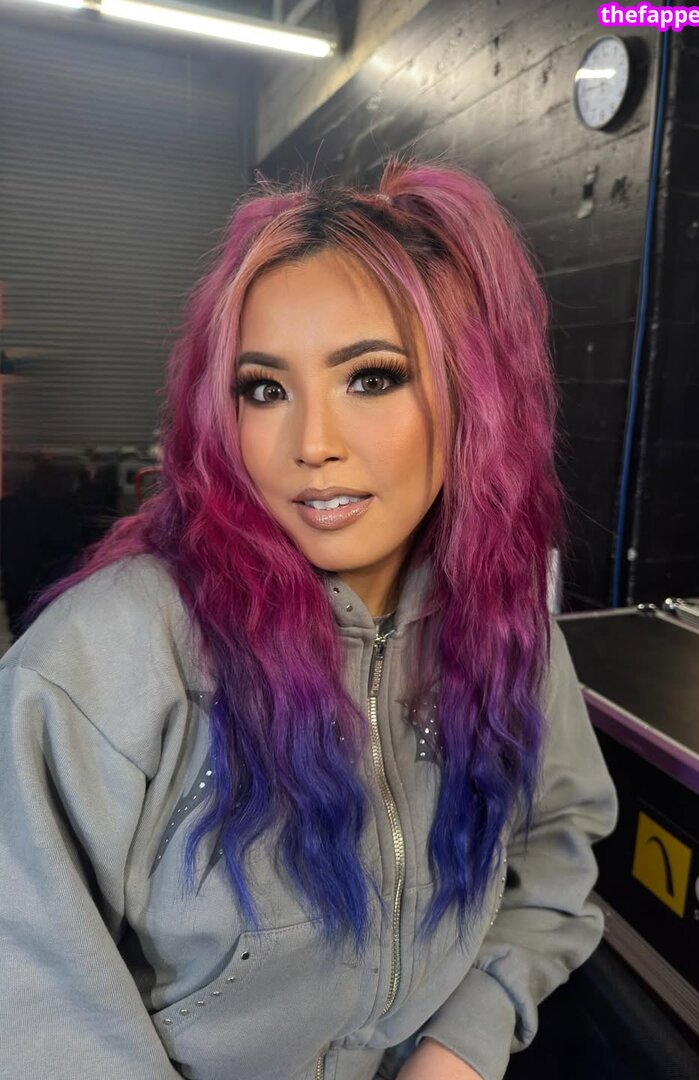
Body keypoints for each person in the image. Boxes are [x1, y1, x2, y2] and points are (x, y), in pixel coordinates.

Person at [0, 156, 618, 1080]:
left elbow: (554, 855)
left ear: (472, 396)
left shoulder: (508, 637)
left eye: (371, 378)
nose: (312, 444)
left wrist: (462, 1042)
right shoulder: (107, 655)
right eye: (264, 389)